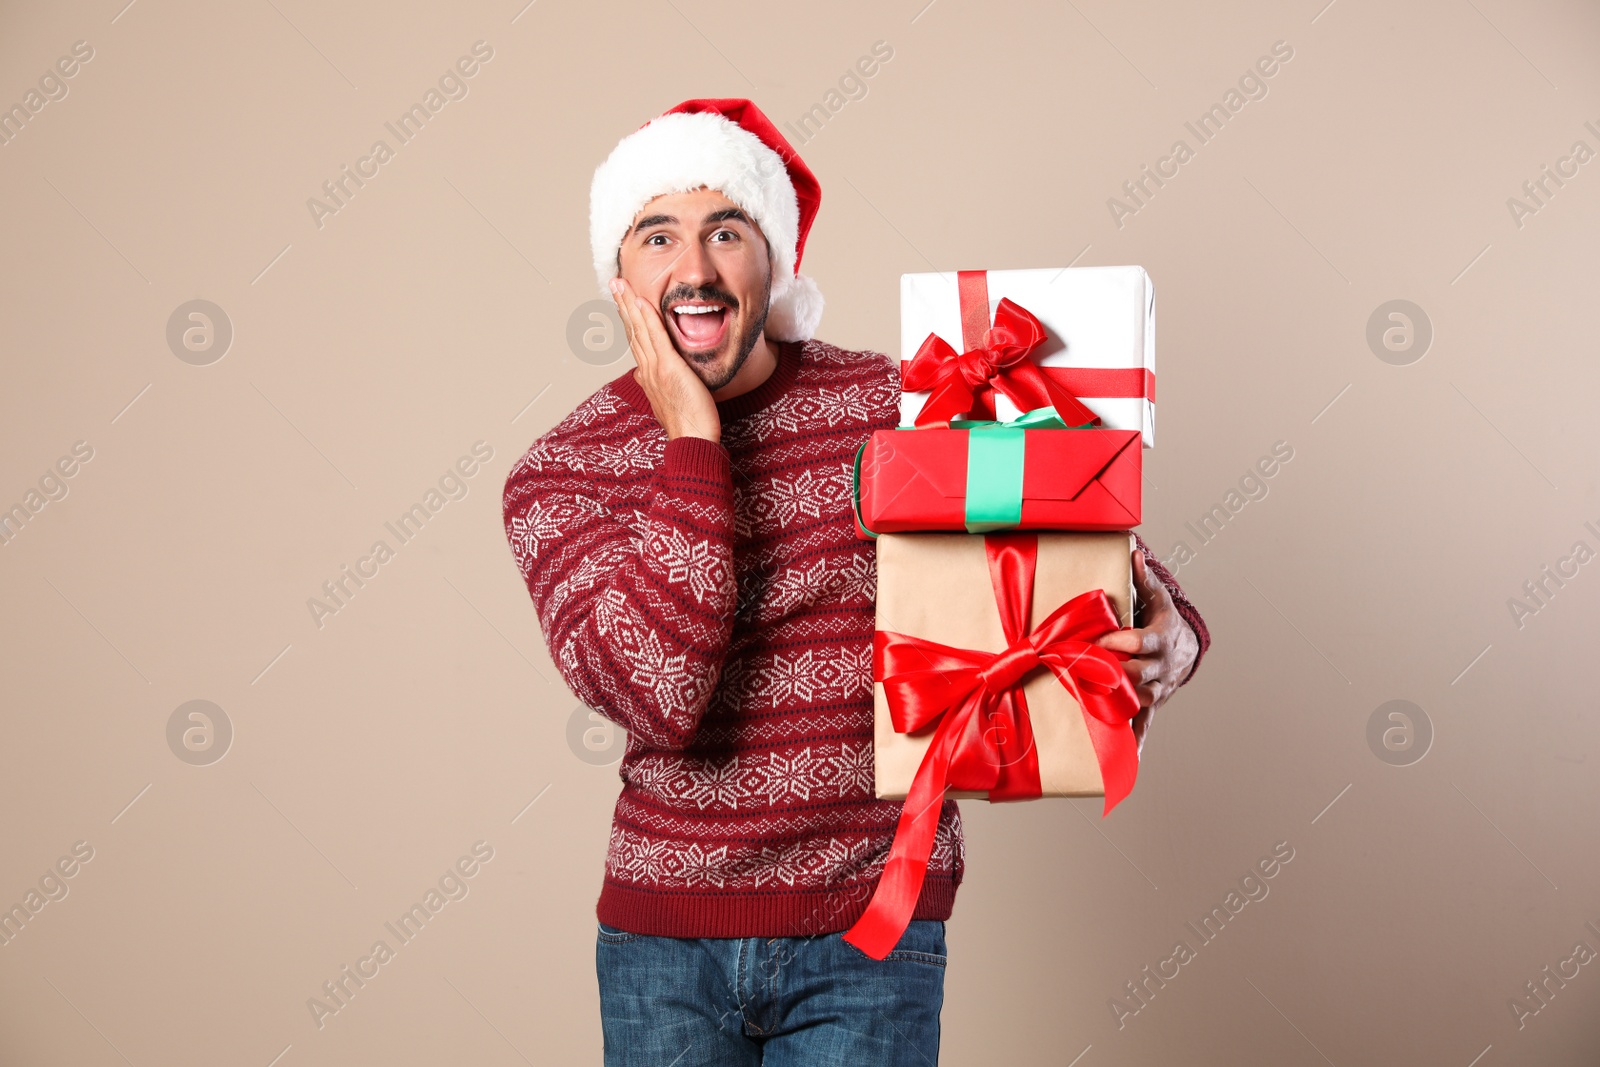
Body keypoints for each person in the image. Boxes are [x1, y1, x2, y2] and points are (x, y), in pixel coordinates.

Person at [501, 97, 1209, 1067]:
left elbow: (1069, 526)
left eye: (726, 231)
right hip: (663, 943)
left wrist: (1173, 626)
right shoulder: (561, 471)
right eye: (656, 233)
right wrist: (693, 443)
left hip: (869, 925)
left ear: (775, 259)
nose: (695, 267)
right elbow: (659, 696)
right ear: (617, 274)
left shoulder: (887, 405)